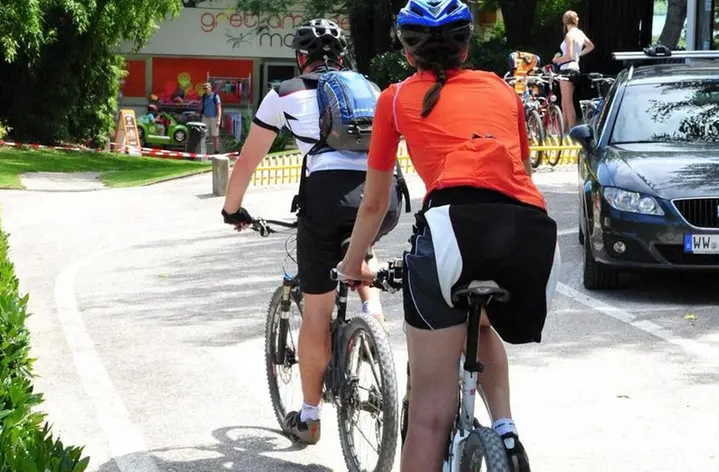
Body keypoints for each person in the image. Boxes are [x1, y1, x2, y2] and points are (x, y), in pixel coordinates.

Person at [334, 1, 561, 471]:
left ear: (406, 49)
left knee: (430, 418)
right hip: (527, 233)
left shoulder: (395, 98)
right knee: (482, 320)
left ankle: (480, 434)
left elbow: (374, 203)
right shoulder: (502, 89)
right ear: (466, 45)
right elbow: (516, 169)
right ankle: (505, 430)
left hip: (449, 235)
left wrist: (353, 263)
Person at [220, 18, 402, 445]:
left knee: (317, 311)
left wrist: (233, 210)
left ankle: (310, 416)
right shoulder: (369, 89)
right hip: (384, 196)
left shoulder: (284, 93)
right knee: (359, 243)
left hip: (325, 198)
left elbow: (247, 161)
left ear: (301, 58)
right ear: (342, 58)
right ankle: (375, 324)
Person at [552, 10, 595, 130]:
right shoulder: (580, 33)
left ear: (565, 22)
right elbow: (591, 46)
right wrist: (579, 55)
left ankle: (570, 131)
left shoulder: (569, 35)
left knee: (567, 103)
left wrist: (556, 60)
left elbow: (569, 55)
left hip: (566, 69)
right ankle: (565, 131)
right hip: (575, 68)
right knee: (566, 102)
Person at [201, 82, 222, 153]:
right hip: (205, 117)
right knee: (204, 135)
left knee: (215, 135)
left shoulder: (215, 96)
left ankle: (216, 151)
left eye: (206, 88)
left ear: (210, 88)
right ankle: (204, 151)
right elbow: (202, 106)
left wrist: (219, 119)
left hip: (214, 118)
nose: (205, 90)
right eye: (204, 89)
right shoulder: (204, 96)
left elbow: (219, 107)